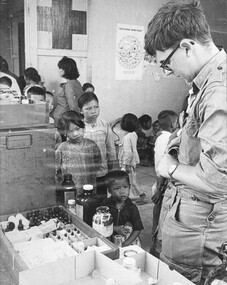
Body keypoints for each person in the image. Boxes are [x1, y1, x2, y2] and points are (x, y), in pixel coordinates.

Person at [145, 1, 227, 284]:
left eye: (167, 64)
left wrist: (169, 168)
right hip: (186, 218)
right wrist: (176, 145)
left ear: (187, 47)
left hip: (199, 233)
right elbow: (195, 140)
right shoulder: (202, 84)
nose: (168, 72)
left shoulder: (218, 91)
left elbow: (217, 182)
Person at [78, 92, 117, 199]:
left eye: (96, 107)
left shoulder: (104, 125)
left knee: (101, 199)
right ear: (80, 110)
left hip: (102, 172)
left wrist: (112, 171)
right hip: (84, 174)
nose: (94, 111)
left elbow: (111, 149)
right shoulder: (78, 127)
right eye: (88, 108)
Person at [150, 110, 178, 258]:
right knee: (160, 219)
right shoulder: (169, 138)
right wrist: (160, 190)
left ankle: (155, 248)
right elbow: (164, 165)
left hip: (160, 181)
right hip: (163, 184)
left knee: (158, 217)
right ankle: (155, 251)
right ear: (174, 124)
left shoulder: (160, 137)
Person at [55, 110, 102, 195]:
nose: (75, 134)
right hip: (70, 192)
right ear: (65, 133)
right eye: (70, 131)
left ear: (83, 127)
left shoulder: (91, 145)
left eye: (77, 129)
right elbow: (55, 170)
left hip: (89, 189)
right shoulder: (62, 148)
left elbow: (98, 163)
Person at [101, 170, 144, 247]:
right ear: (109, 191)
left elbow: (137, 229)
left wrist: (125, 244)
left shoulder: (132, 208)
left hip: (128, 240)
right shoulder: (105, 205)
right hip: (109, 238)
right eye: (117, 188)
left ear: (129, 187)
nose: (122, 191)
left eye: (125, 187)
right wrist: (114, 228)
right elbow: (101, 223)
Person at [118, 113, 148, 205]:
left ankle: (142, 195)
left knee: (132, 182)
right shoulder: (133, 135)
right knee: (130, 181)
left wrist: (126, 165)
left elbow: (128, 152)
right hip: (131, 163)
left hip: (128, 164)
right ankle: (130, 196)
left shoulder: (127, 137)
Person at [52, 56, 83, 127]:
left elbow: (73, 106)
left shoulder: (69, 85)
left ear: (66, 70)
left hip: (63, 119)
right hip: (63, 117)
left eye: (60, 68)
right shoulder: (76, 82)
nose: (59, 70)